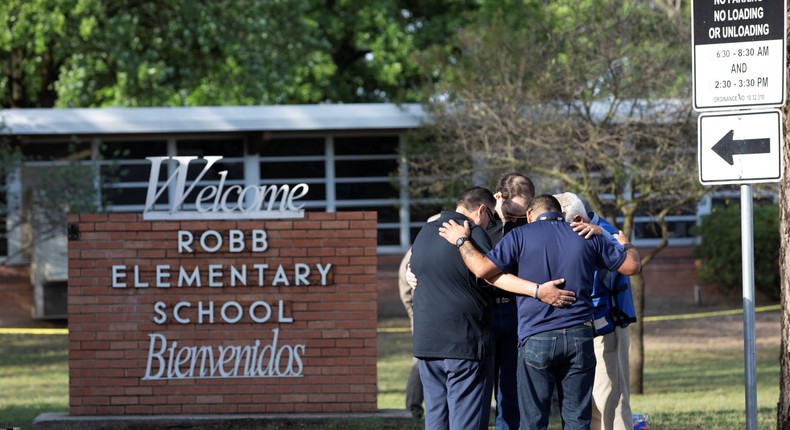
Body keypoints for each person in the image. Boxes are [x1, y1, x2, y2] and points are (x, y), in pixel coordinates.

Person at [438, 194, 641, 430]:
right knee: (578, 419)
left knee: (533, 420)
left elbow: (482, 269)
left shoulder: (519, 235)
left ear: (530, 215)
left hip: (536, 338)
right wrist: (625, 243)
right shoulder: (586, 235)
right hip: (580, 336)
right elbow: (632, 266)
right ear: (560, 213)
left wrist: (462, 241)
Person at [411, 187, 573, 430]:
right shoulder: (474, 233)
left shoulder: (425, 232)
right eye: (490, 218)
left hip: (427, 343)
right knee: (467, 419)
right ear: (482, 210)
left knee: (437, 416)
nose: (490, 225)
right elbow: (491, 275)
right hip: (464, 343)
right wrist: (539, 291)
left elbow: (415, 270)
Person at [554, 192, 637, 430]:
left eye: (562, 224)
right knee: (589, 401)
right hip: (580, 328)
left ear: (578, 219)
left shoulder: (607, 234)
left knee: (611, 398)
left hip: (606, 328)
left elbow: (630, 265)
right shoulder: (583, 231)